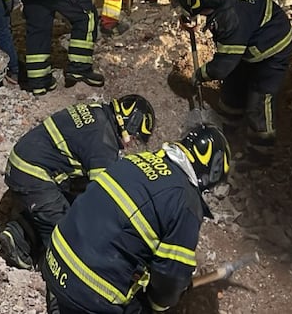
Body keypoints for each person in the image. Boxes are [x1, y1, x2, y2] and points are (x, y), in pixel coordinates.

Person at [42, 124, 232, 314]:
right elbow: (170, 278)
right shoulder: (186, 203)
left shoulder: (137, 160)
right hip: (89, 292)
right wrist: (159, 304)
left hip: (54, 262)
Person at [0, 95, 156, 270]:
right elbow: (103, 198)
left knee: (66, 201)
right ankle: (56, 274)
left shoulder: (97, 112)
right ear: (128, 125)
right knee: (67, 234)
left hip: (23, 163)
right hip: (32, 173)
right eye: (134, 138)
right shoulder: (105, 141)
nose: (130, 144)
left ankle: (18, 236)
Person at [179, 0, 292, 159]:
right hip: (251, 34)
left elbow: (222, 66)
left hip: (273, 46)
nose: (202, 16)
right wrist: (189, 14)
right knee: (233, 85)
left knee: (260, 99)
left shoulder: (230, 18)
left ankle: (260, 153)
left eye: (202, 12)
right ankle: (228, 129)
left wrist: (201, 74)